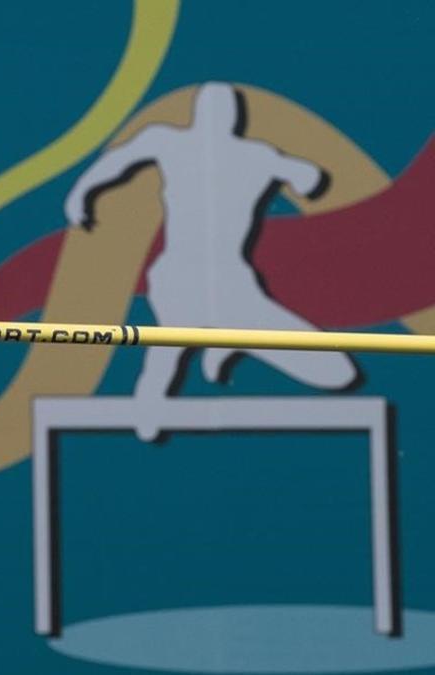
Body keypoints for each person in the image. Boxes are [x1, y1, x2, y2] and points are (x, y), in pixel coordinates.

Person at [64, 81, 356, 440]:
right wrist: (80, 195)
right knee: (168, 350)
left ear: (232, 119)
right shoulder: (170, 142)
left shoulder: (255, 156)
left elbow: (310, 178)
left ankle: (228, 339)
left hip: (235, 286)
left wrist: (288, 169)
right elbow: (116, 161)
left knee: (336, 371)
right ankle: (160, 393)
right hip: (179, 279)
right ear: (198, 115)